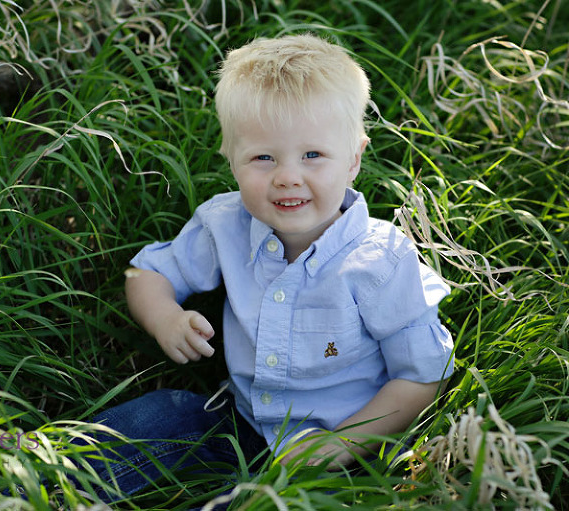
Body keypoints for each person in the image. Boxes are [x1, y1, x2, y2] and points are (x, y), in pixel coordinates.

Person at [83, 33, 455, 502]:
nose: (287, 177)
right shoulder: (225, 224)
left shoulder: (380, 261)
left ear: (354, 159)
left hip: (342, 450)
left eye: (312, 155)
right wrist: (166, 318)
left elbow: (423, 375)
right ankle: (37, 471)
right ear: (231, 160)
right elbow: (146, 274)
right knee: (158, 416)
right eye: (263, 157)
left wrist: (340, 445)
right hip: (239, 418)